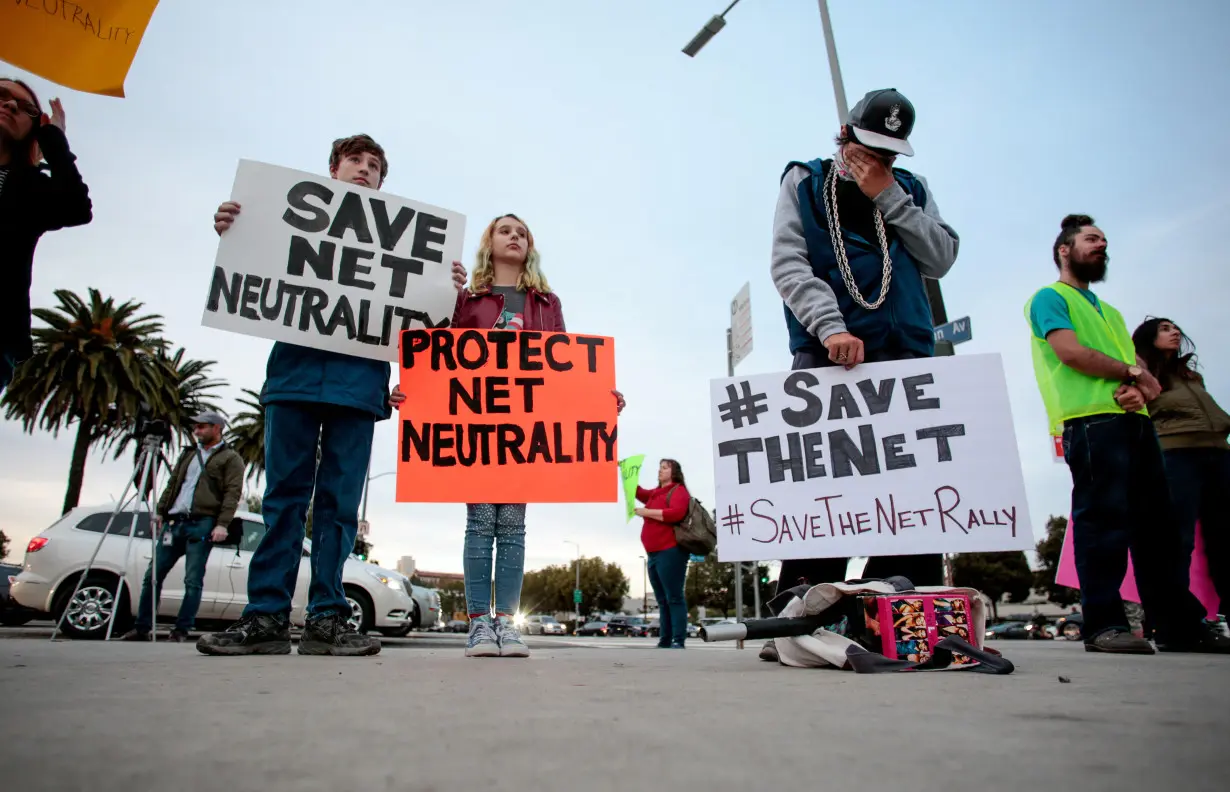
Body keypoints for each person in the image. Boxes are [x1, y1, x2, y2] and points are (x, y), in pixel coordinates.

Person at [197, 135, 467, 657]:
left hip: (359, 388)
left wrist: (445, 287)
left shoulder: (405, 245)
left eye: (374, 166)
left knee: (339, 509)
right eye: (355, 162)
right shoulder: (281, 217)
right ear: (333, 169)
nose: (364, 171)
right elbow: (255, 264)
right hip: (294, 379)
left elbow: (426, 328)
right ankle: (266, 618)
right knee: (284, 501)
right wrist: (239, 229)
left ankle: (326, 617)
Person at [764, 88, 959, 661]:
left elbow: (941, 258)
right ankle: (799, 620)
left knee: (912, 494)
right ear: (844, 137)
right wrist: (829, 326)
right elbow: (787, 261)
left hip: (906, 354)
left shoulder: (911, 191)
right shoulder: (804, 180)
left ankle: (899, 618)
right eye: (868, 149)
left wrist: (888, 196)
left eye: (890, 155)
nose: (877, 162)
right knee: (827, 494)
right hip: (832, 355)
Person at [1025, 213, 1229, 654]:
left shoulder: (1112, 313)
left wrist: (1138, 388)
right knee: (1103, 525)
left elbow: (1139, 379)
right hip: (1090, 423)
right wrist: (1135, 373)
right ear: (1064, 249)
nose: (1101, 245)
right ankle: (1104, 625)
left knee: (1160, 531)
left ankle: (1179, 625)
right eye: (1091, 239)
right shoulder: (1049, 297)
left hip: (1136, 427)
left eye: (1104, 240)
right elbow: (1071, 352)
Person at [450, 213, 626, 657]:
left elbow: (563, 362)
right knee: (479, 523)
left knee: (512, 526)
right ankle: (478, 625)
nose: (514, 237)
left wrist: (598, 396)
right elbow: (443, 355)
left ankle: (506, 624)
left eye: (522, 233)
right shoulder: (468, 299)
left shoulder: (547, 303)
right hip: (477, 425)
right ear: (489, 243)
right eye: (505, 231)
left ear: (530, 247)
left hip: (526, 429)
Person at [0, 78, 92, 395]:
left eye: (26, 108)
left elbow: (77, 208)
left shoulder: (31, 189)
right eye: (1, 96)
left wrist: (54, 140)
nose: (11, 105)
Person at [121, 412, 244, 642]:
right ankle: (142, 627)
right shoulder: (189, 454)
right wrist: (160, 510)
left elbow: (232, 493)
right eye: (195, 427)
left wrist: (222, 524)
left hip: (203, 522)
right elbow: (173, 483)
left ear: (217, 428)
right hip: (175, 522)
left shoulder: (230, 458)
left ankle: (181, 629)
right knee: (153, 575)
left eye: (202, 427)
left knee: (193, 579)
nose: (197, 431)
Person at [1132, 317, 1229, 606]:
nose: (1174, 332)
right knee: (1177, 538)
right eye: (1164, 328)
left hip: (1219, 453)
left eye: (1175, 328)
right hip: (1175, 455)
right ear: (1148, 338)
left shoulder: (1190, 376)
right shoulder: (1142, 372)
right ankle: (1177, 613)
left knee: (1225, 537)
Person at [634, 459, 692, 649]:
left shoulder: (678, 491)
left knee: (674, 596)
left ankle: (678, 639)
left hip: (670, 551)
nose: (660, 470)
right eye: (659, 467)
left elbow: (676, 513)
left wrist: (646, 512)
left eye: (665, 467)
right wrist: (627, 472)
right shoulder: (656, 493)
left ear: (674, 472)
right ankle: (665, 639)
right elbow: (638, 492)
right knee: (662, 599)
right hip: (653, 553)